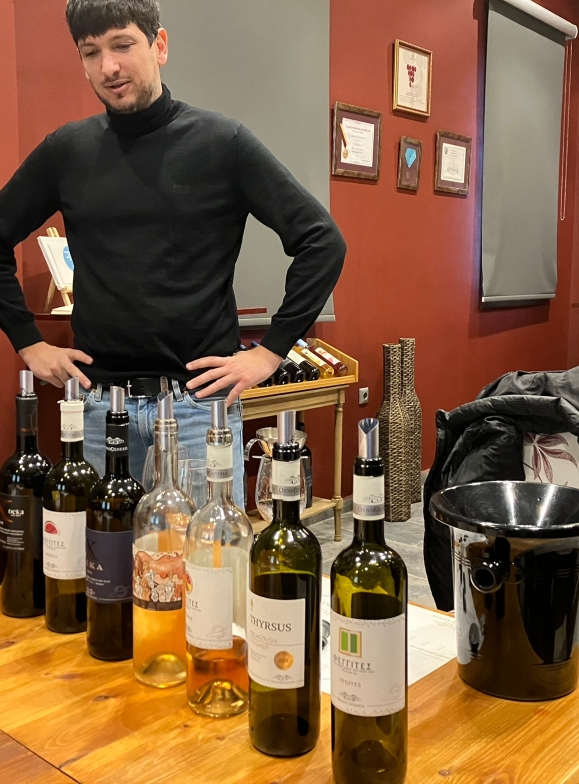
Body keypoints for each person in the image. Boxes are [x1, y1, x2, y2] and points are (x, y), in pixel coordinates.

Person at [0, 0, 346, 504]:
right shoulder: (66, 151)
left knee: (202, 574)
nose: (108, 67)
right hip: (101, 411)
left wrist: (271, 353)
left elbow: (322, 240)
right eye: (90, 52)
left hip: (198, 411)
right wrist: (28, 342)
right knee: (108, 573)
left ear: (159, 45)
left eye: (122, 45)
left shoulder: (222, 142)